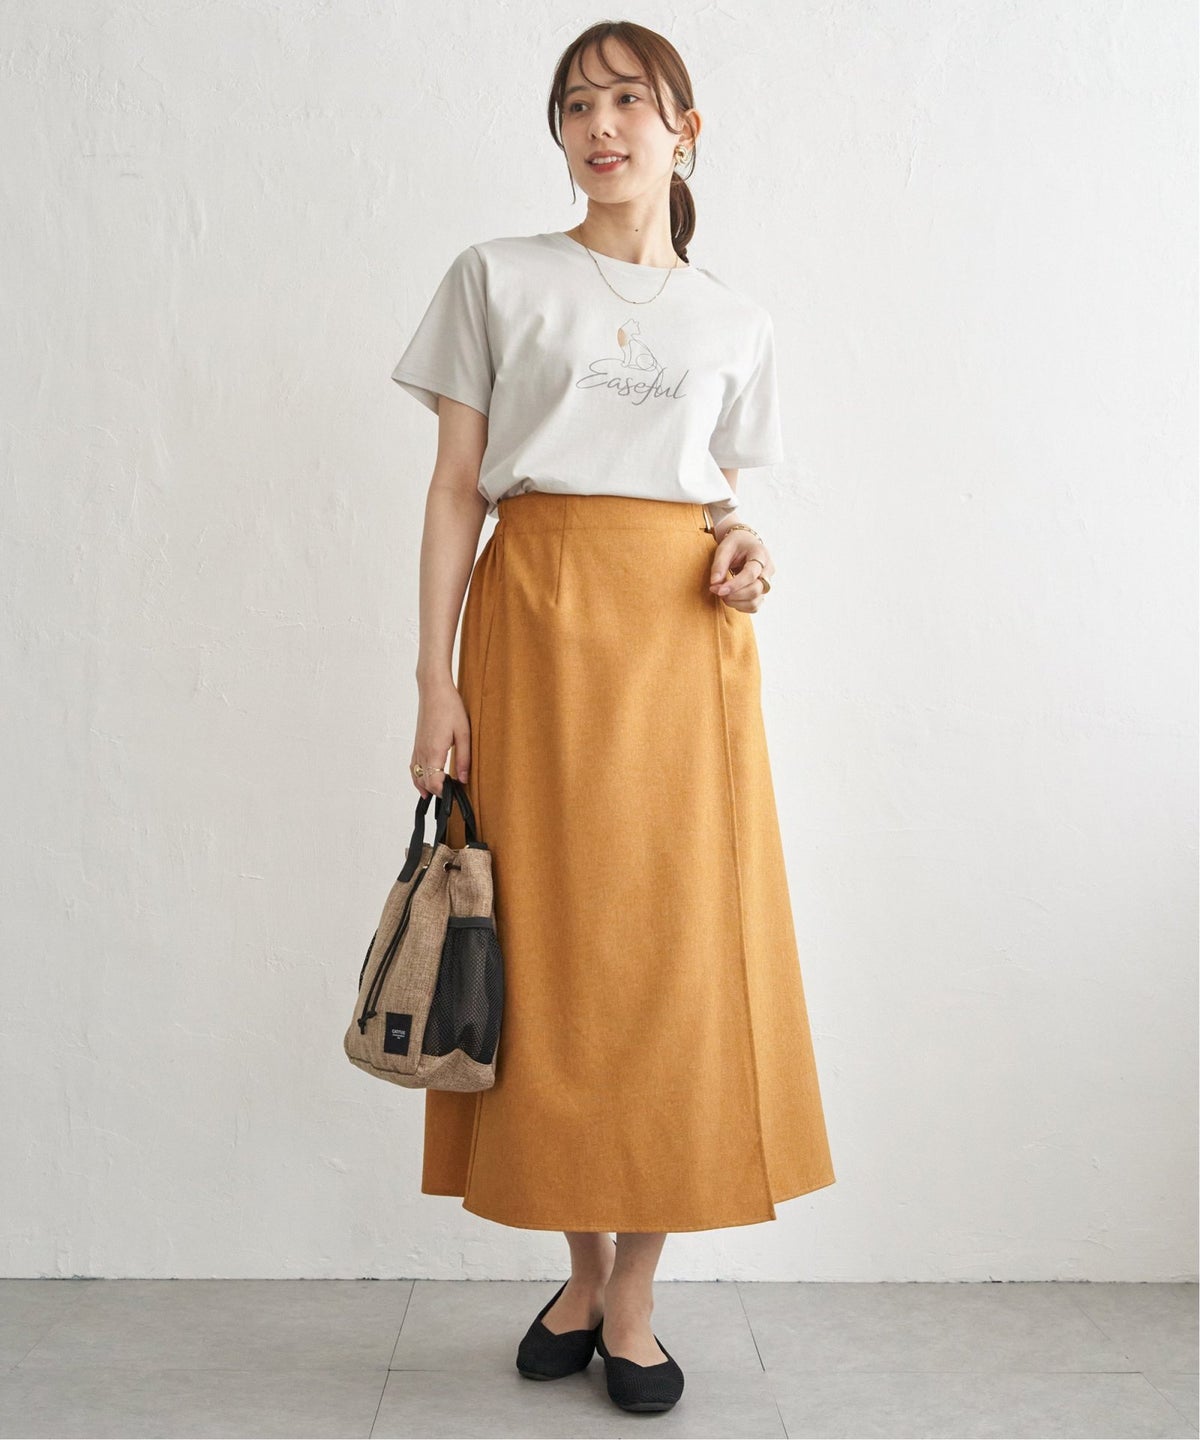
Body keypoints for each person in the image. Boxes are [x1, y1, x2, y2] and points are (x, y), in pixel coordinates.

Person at [389, 20, 836, 1416]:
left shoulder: (735, 320)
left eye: (629, 101)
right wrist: (433, 677)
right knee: (549, 954)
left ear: (684, 128)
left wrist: (747, 547)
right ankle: (577, 1274)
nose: (601, 125)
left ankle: (630, 1295)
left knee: (670, 960)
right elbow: (455, 486)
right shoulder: (497, 276)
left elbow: (720, 500)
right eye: (577, 103)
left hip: (681, 648)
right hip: (532, 625)